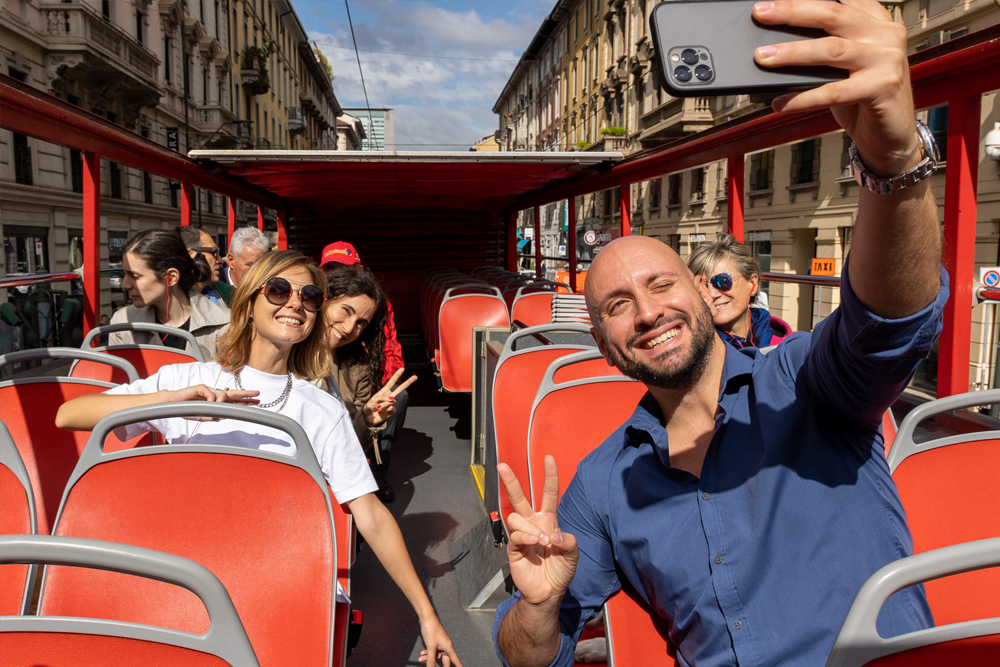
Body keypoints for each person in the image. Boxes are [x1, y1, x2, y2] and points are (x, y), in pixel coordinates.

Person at [493, 3, 946, 666]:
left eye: (661, 285)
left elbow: (890, 322)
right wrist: (536, 604)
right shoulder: (601, 483)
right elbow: (525, 657)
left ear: (705, 293)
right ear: (599, 337)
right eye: (617, 305)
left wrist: (892, 156)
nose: (646, 312)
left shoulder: (804, 384)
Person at [56, 250, 461, 667]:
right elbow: (69, 414)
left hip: (269, 579)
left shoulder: (319, 409)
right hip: (181, 573)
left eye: (309, 298)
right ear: (250, 301)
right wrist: (170, 403)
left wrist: (427, 616)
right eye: (279, 290)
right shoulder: (186, 379)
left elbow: (370, 515)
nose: (294, 304)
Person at [316, 262, 412, 504]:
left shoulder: (356, 367)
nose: (350, 328)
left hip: (331, 482)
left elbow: (349, 449)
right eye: (346, 311)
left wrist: (367, 420)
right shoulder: (283, 346)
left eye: (361, 323)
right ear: (324, 299)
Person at [109, 229, 229, 360]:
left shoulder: (224, 325)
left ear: (170, 278)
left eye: (135, 276)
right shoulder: (122, 322)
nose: (125, 285)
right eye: (125, 274)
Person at [686, 234, 793, 349]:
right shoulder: (695, 352)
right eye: (703, 286)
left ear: (753, 283)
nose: (712, 294)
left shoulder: (787, 345)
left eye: (722, 281)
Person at [178, 226, 234, 308]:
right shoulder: (168, 297)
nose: (220, 260)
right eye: (214, 252)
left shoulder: (225, 291)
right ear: (189, 254)